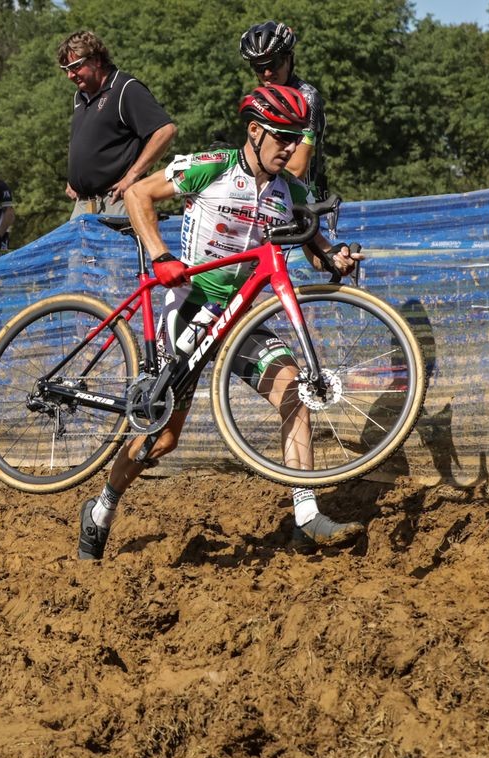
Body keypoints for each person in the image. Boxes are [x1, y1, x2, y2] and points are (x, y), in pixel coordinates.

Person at [77, 85, 365, 560]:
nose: (292, 148)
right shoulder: (212, 166)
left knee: (294, 392)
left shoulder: (291, 191)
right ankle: (103, 506)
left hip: (244, 317)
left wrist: (337, 257)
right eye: (282, 138)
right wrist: (160, 254)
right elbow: (136, 193)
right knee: (162, 439)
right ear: (254, 131)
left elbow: (318, 255)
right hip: (191, 308)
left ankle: (307, 517)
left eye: (296, 138)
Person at [58, 30, 177, 218]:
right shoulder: (79, 96)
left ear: (96, 60)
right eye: (65, 70)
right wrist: (74, 179)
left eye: (75, 67)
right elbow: (86, 142)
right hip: (83, 204)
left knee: (118, 249)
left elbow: (165, 131)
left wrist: (133, 175)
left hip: (116, 201)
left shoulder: (125, 88)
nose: (70, 76)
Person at [239, 20, 327, 200]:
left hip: (305, 199)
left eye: (274, 64)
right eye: (259, 67)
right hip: (266, 195)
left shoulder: (307, 98)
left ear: (289, 58)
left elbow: (297, 169)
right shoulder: (258, 99)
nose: (267, 73)